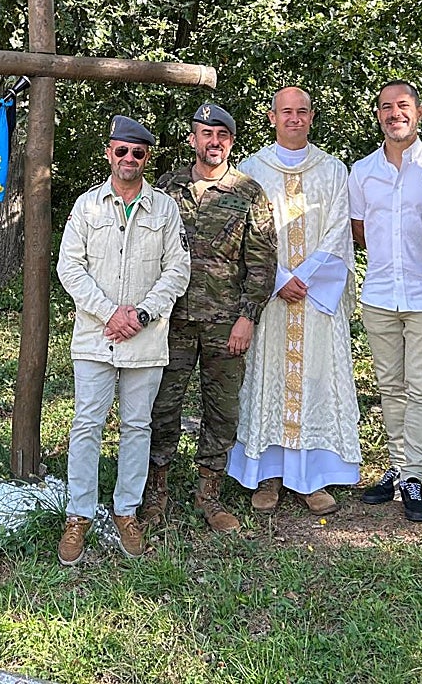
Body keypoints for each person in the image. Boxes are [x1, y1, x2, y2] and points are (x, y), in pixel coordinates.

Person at [56, 115, 190, 565]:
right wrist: (110, 312)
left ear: (146, 157)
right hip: (96, 336)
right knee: (86, 425)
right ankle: (78, 516)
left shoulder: (165, 209)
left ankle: (126, 511)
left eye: (138, 152)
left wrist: (142, 313)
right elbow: (69, 267)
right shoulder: (86, 206)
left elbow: (178, 270)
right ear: (108, 152)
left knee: (137, 427)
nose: (129, 159)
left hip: (146, 339)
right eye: (121, 151)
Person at [142, 102, 277, 533]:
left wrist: (248, 317)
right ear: (192, 139)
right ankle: (156, 491)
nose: (213, 142)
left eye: (221, 135)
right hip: (173, 320)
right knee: (162, 406)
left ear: (231, 142)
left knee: (222, 410)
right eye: (205, 133)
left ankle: (209, 493)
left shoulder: (248, 192)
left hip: (225, 321)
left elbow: (262, 261)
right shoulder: (166, 187)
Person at [226, 87, 360, 515]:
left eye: (302, 112)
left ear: (312, 117)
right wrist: (278, 278)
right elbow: (243, 233)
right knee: (266, 379)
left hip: (319, 298)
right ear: (272, 117)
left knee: (315, 381)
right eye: (287, 111)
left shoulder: (334, 170)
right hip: (269, 297)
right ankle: (267, 475)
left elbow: (340, 230)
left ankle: (311, 479)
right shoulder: (251, 170)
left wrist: (305, 277)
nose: (295, 118)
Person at [349, 81, 422, 522]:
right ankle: (395, 466)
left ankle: (414, 475)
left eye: (403, 106)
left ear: (419, 112)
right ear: (378, 115)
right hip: (379, 293)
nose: (395, 114)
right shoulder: (362, 171)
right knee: (390, 386)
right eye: (387, 107)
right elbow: (358, 229)